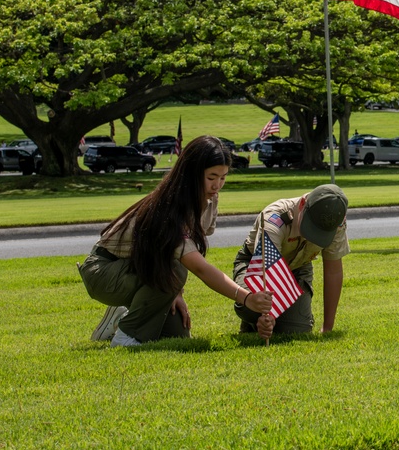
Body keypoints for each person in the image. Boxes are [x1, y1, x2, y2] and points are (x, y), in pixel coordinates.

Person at [78, 135, 274, 347]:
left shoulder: (207, 200)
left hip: (140, 269)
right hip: (104, 271)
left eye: (223, 177)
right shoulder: (170, 209)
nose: (217, 185)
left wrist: (175, 293)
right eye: (211, 177)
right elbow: (199, 268)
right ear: (192, 174)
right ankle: (126, 335)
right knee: (175, 270)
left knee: (178, 334)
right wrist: (246, 298)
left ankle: (126, 315)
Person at [233, 184, 349, 340]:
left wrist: (327, 327)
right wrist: (268, 314)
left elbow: (333, 271)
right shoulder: (274, 218)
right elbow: (267, 270)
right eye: (310, 227)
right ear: (302, 204)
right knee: (252, 305)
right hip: (258, 266)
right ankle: (251, 320)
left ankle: (278, 318)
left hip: (298, 267)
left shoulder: (335, 221)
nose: (311, 236)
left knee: (297, 330)